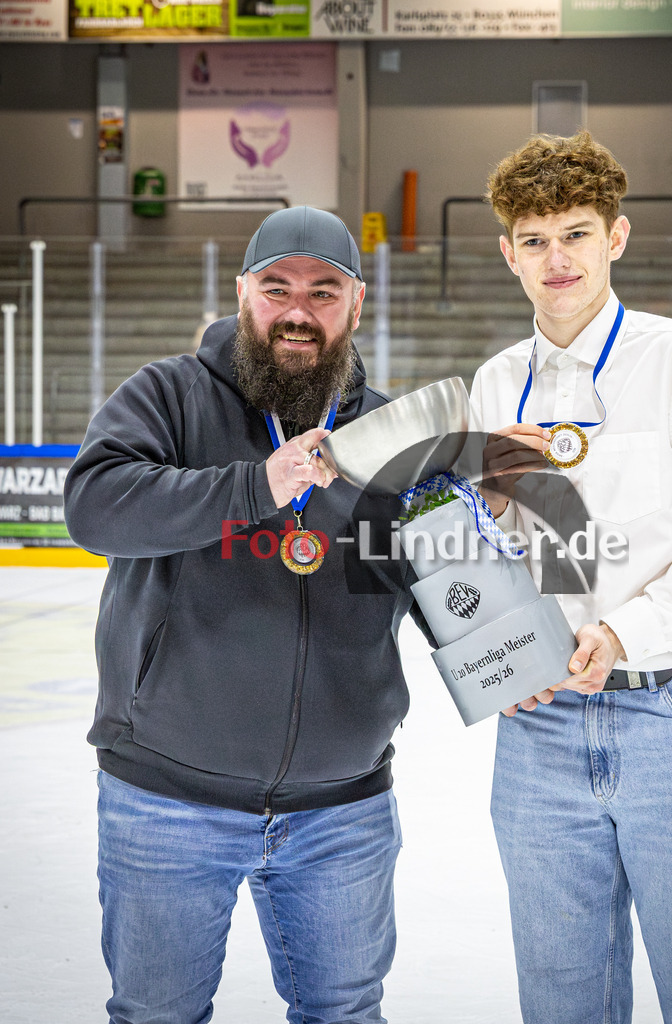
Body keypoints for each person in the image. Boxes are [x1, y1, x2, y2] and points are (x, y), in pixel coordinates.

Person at [64, 205, 419, 1024]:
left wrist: (508, 625)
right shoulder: (169, 395)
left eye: (324, 292)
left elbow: (430, 583)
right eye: (277, 288)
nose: (298, 311)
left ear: (356, 305)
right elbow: (95, 506)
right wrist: (255, 486)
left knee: (345, 1014)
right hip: (166, 801)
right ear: (243, 294)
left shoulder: (388, 436)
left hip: (343, 807)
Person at [468, 132, 672, 1024]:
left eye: (575, 234)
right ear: (507, 253)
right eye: (534, 239)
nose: (555, 258)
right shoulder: (494, 384)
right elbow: (481, 553)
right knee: (561, 996)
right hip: (542, 732)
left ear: (617, 238)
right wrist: (500, 645)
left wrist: (625, 631)